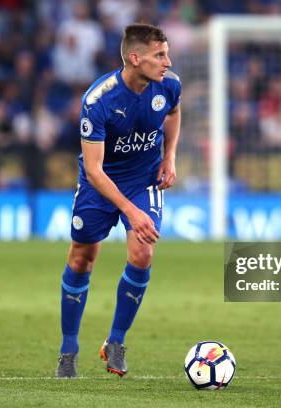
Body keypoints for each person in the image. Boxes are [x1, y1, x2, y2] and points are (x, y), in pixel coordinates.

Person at [55, 23, 181, 378]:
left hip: (144, 179)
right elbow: (94, 171)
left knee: (143, 251)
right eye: (160, 55)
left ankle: (116, 341)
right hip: (101, 185)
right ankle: (68, 349)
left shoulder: (169, 86)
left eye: (167, 53)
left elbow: (173, 113)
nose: (167, 62)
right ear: (134, 57)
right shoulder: (98, 101)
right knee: (82, 258)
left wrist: (169, 157)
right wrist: (131, 211)